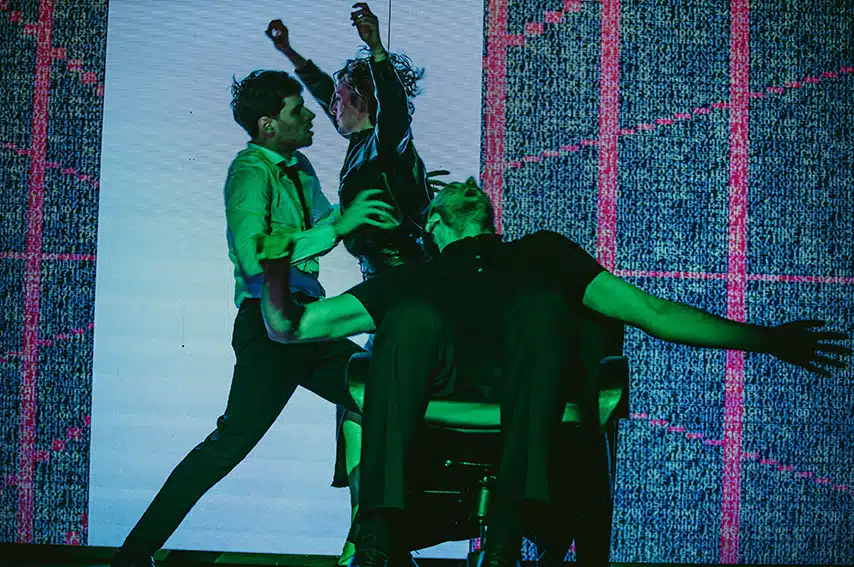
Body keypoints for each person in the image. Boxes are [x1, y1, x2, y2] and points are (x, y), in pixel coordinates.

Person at [255, 177, 851, 567]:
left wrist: (768, 339)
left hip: (536, 406)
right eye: (450, 193)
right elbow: (289, 327)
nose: (466, 186)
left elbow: (653, 313)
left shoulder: (544, 253)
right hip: (437, 405)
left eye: (473, 189)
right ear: (433, 226)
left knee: (541, 309)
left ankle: (507, 531)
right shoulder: (413, 280)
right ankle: (379, 532)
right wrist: (277, 269)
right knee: (406, 319)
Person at [110, 70, 398, 567]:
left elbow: (331, 220)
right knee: (228, 446)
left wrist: (375, 203)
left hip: (307, 323)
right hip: (268, 327)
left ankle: (373, 545)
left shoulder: (299, 166)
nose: (311, 116)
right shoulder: (249, 172)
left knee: (385, 393)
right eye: (296, 111)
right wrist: (335, 230)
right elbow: (252, 257)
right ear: (268, 124)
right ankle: (133, 555)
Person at [266, 5, 433, 563]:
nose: (329, 106)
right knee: (358, 399)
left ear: (361, 99)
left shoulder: (387, 143)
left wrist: (376, 48)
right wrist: (290, 53)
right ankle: (367, 537)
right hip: (382, 289)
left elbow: (394, 107)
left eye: (340, 98)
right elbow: (323, 90)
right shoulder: (358, 144)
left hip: (405, 287)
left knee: (363, 392)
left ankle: (372, 538)